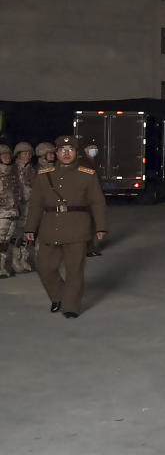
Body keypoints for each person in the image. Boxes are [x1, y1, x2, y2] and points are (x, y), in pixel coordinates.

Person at [24, 135, 108, 318]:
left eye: (70, 150)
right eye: (63, 150)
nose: (66, 153)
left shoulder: (88, 175)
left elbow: (97, 202)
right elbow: (36, 204)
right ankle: (58, 296)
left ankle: (70, 306)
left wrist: (101, 227)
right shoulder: (45, 176)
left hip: (77, 228)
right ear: (56, 153)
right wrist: (30, 227)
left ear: (76, 153)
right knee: (45, 268)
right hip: (50, 227)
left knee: (74, 270)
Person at [12, 142, 36, 273]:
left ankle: (24, 259)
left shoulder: (32, 169)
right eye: (24, 153)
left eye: (28, 154)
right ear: (18, 155)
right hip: (18, 205)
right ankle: (16, 259)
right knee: (17, 234)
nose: (27, 156)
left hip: (31, 205)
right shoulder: (13, 169)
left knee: (29, 233)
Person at [0, 145, 23, 278]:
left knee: (5, 243)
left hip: (12, 213)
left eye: (8, 155)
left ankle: (2, 267)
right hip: (2, 214)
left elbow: (17, 192)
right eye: (3, 155)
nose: (7, 157)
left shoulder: (11, 173)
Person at [81, 139, 104, 257]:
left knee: (94, 223)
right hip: (86, 199)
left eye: (95, 148)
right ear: (85, 150)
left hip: (94, 197)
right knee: (87, 224)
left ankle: (91, 247)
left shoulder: (95, 162)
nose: (93, 150)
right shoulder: (83, 163)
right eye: (91, 148)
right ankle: (86, 249)